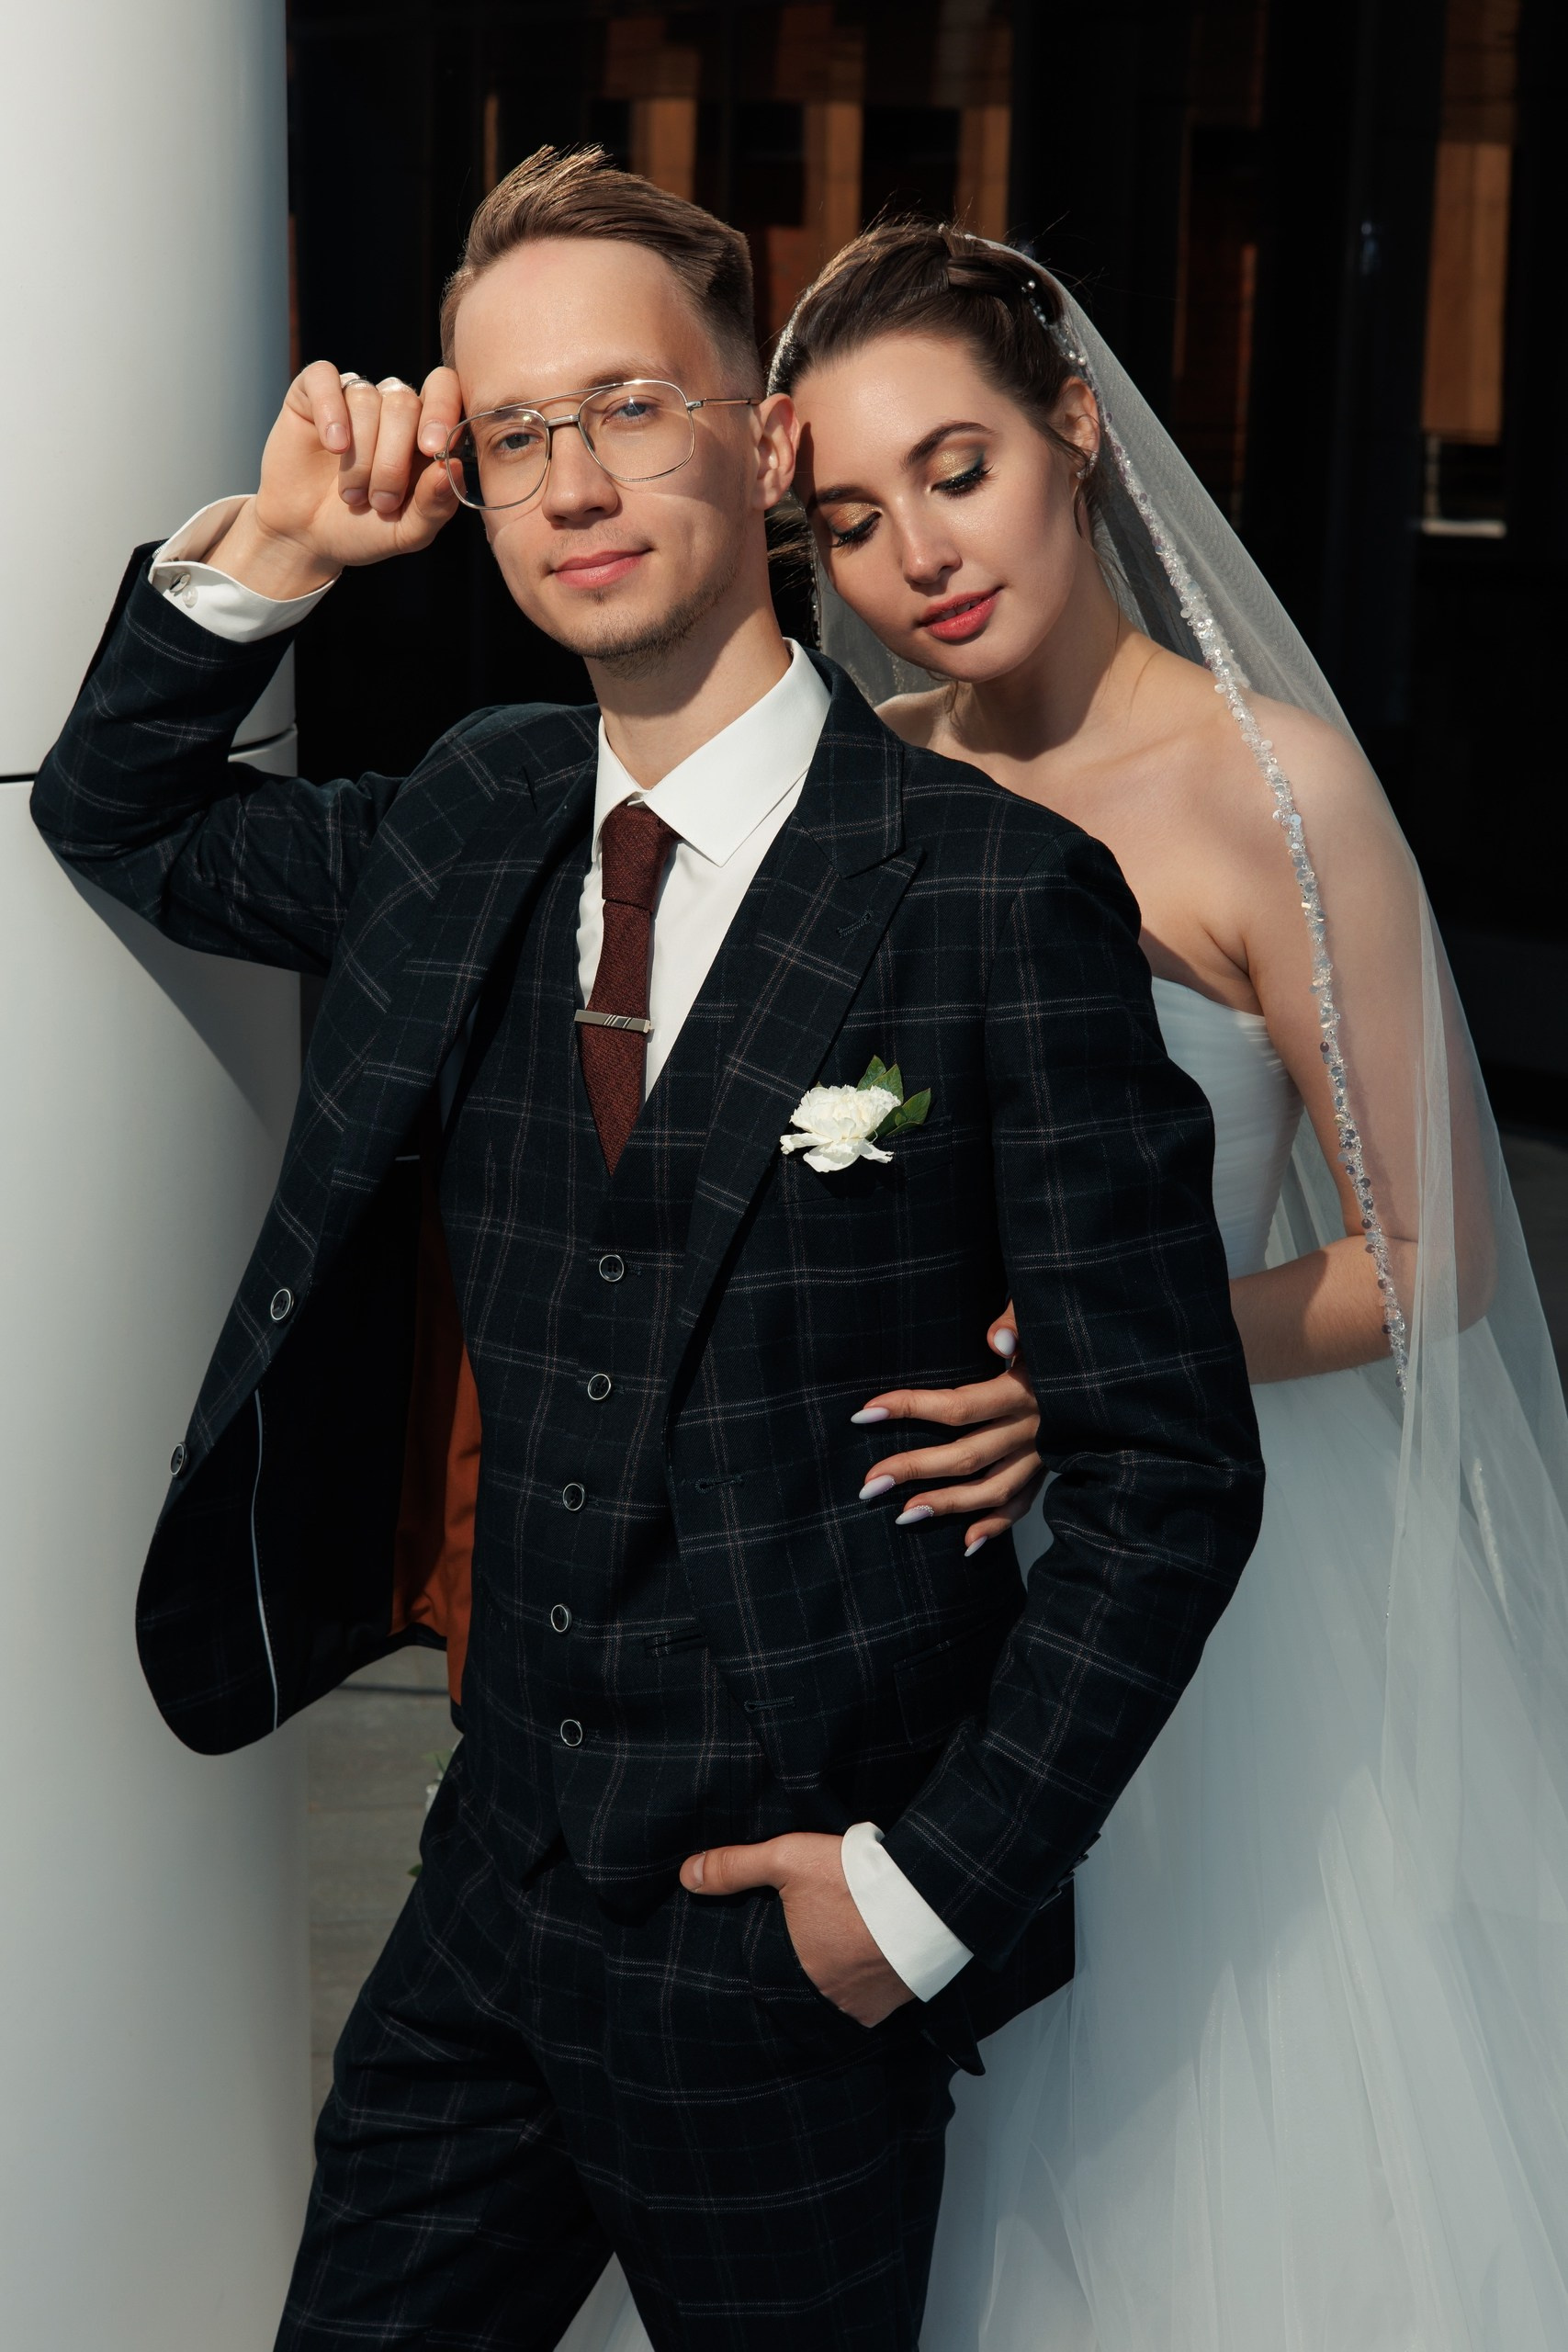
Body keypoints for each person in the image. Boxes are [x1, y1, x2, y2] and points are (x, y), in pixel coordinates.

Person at [30, 153, 1263, 2350]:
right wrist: (279, 548)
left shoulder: (995, 894)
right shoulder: (471, 813)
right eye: (516, 435)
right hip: (484, 1892)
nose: (575, 482)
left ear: (762, 442)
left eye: (627, 406)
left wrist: (915, 1898)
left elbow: (1169, 1471)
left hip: (785, 1945)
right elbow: (115, 806)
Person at [761, 220, 1568, 2348]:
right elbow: (846, 1135)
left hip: (1208, 1559)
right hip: (911, 1554)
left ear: (1072, 431)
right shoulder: (862, 780)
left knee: (1192, 2132)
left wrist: (1099, 1373)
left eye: (955, 468)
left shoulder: (1266, 785)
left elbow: (1435, 1260)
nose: (918, 552)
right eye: (850, 518)